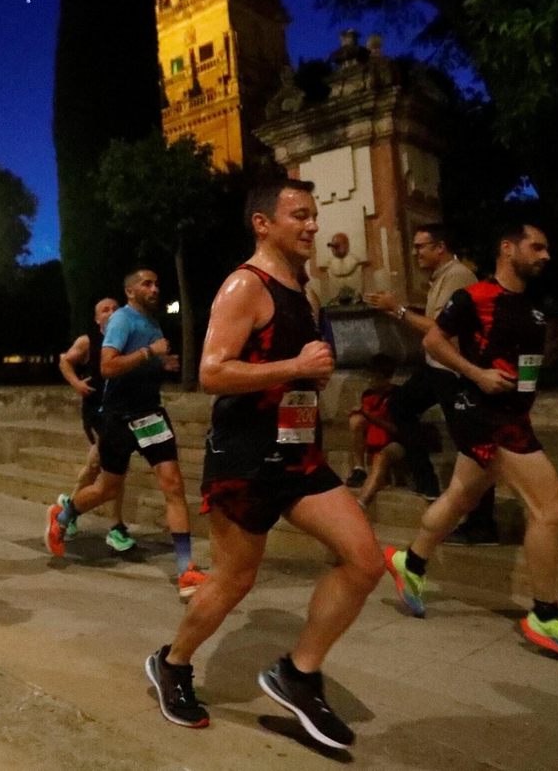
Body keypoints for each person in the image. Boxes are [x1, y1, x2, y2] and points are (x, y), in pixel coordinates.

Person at [146, 178, 381, 749]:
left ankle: (297, 674)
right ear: (263, 223)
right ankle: (173, 664)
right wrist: (294, 367)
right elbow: (211, 373)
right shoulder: (242, 287)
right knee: (234, 579)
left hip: (299, 455)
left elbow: (293, 364)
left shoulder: (305, 290)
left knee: (365, 560)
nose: (312, 225)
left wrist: (311, 371)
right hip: (246, 456)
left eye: (313, 215)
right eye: (299, 215)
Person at [384, 219, 558, 663]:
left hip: (513, 413)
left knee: (461, 497)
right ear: (508, 248)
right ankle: (545, 615)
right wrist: (477, 374)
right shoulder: (474, 297)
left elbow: (533, 366)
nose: (545, 256)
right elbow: (434, 339)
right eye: (536, 247)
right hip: (486, 416)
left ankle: (412, 561)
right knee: (552, 509)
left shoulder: (534, 308)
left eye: (547, 249)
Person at [46, 268, 207, 600]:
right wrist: (149, 353)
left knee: (173, 485)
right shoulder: (121, 320)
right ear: (131, 291)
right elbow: (107, 366)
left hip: (151, 414)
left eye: (156, 283)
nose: (154, 288)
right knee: (107, 488)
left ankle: (185, 569)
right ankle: (64, 514)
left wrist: (161, 365)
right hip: (118, 418)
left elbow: (138, 364)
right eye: (147, 284)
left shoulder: (150, 321)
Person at [365, 224, 494, 543]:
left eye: (421, 246)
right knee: (399, 405)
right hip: (437, 368)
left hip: (455, 371)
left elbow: (440, 327)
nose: (415, 252)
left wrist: (398, 309)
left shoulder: (458, 276)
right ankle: (426, 481)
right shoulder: (442, 278)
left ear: (440, 247)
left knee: (471, 445)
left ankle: (482, 525)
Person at [55, 297, 135, 552]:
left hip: (120, 410)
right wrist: (77, 384)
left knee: (95, 465)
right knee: (114, 466)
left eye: (115, 308)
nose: (111, 313)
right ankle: (116, 526)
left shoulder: (126, 339)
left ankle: (71, 505)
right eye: (105, 310)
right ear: (97, 318)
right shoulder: (88, 341)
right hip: (97, 413)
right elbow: (65, 361)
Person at [348, 355, 403, 507]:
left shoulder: (398, 396)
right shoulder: (368, 394)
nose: (371, 381)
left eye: (375, 378)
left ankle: (361, 503)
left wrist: (370, 417)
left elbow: (399, 430)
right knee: (356, 420)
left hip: (395, 441)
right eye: (369, 377)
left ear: (387, 377)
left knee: (381, 457)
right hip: (375, 437)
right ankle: (359, 468)